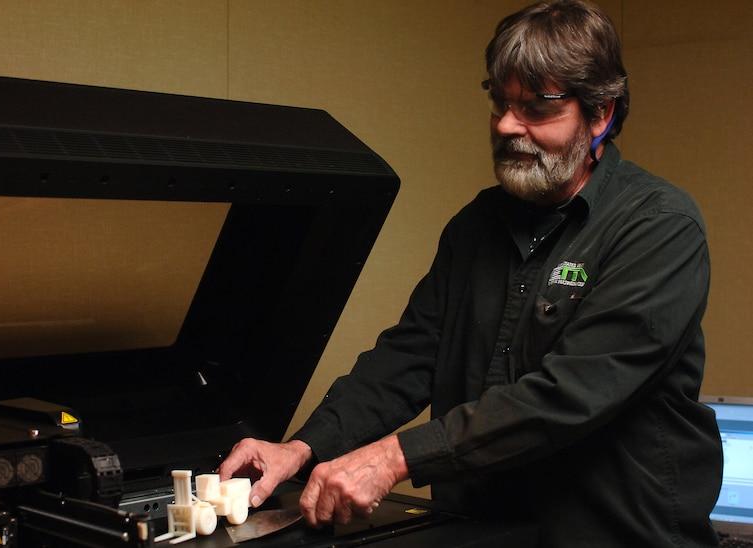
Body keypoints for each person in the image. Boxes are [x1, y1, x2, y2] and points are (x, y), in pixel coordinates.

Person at [219, 0, 723, 545]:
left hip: (616, 535)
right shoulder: (475, 226)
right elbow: (407, 358)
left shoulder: (659, 227)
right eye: (501, 102)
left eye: (536, 108)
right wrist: (302, 448)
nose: (508, 125)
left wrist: (393, 458)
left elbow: (568, 395)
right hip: (480, 530)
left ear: (600, 114)